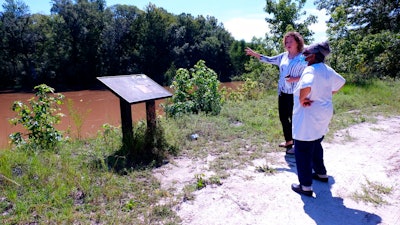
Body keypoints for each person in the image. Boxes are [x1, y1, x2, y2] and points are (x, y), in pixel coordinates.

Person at [291, 41, 346, 197]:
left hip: (309, 115)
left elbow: (306, 85)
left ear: (313, 55)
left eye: (306, 54)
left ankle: (305, 186)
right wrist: (326, 93)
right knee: (315, 143)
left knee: (302, 149)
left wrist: (303, 99)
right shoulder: (327, 70)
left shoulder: (310, 70)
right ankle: (321, 174)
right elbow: (341, 82)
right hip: (324, 112)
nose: (304, 57)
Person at [245, 31, 307, 154]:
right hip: (283, 92)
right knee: (283, 117)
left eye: (291, 41)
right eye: (286, 42)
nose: (288, 44)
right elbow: (268, 59)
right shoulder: (283, 56)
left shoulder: (302, 58)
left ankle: (297, 145)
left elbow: (309, 75)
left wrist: (294, 79)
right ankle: (289, 141)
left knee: (294, 119)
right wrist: (255, 54)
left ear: (297, 42)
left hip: (295, 93)